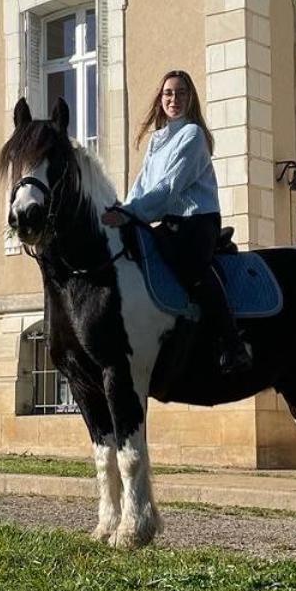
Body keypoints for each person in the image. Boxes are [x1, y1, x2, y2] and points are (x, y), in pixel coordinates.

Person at [102, 70, 251, 376]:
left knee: (189, 266)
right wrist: (122, 212)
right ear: (161, 99)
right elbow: (142, 186)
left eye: (181, 93)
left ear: (190, 98)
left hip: (196, 221)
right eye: (168, 93)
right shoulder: (158, 140)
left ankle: (231, 342)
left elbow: (169, 188)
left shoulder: (193, 135)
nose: (174, 99)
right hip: (169, 220)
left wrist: (131, 214)